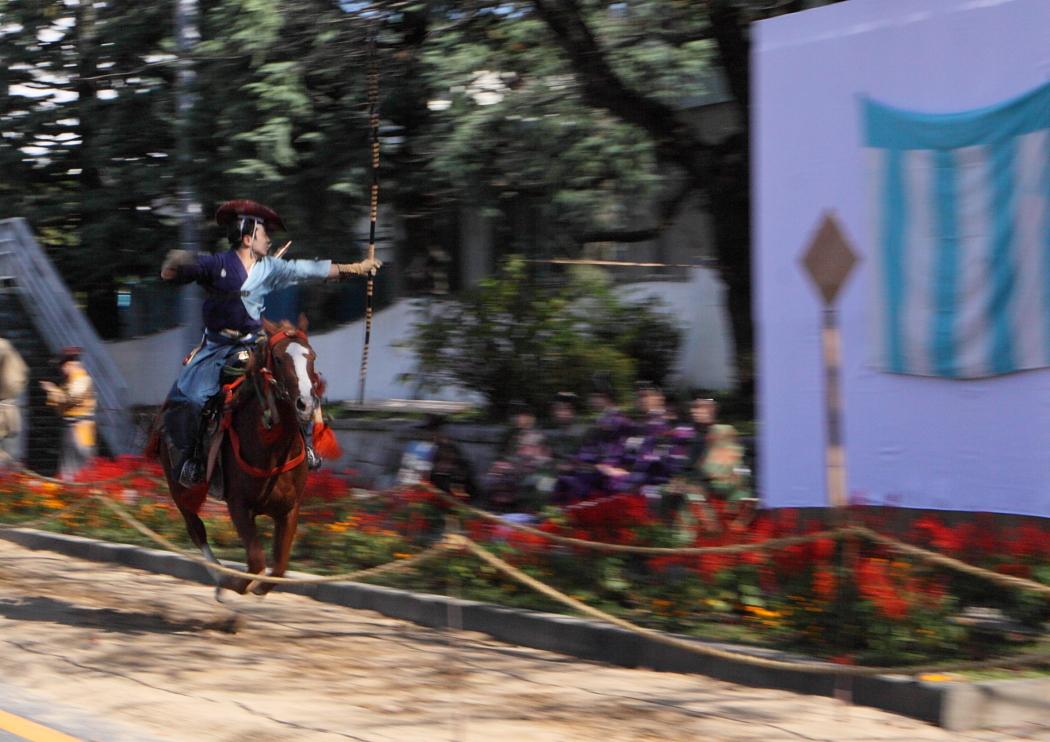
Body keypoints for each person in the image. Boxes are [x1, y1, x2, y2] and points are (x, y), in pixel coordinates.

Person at [159, 199, 381, 488]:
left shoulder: (271, 268)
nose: (269, 239)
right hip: (217, 347)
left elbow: (308, 269)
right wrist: (175, 265)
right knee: (192, 396)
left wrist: (357, 268)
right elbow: (177, 273)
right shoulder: (216, 264)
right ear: (248, 238)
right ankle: (193, 460)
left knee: (298, 379)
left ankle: (306, 445)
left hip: (255, 344)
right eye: (264, 234)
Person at [40, 346, 96, 480]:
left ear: (69, 364)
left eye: (62, 366)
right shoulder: (71, 381)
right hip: (72, 426)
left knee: (78, 468)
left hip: (80, 427)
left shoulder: (81, 379)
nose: (61, 369)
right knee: (69, 468)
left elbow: (70, 398)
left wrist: (52, 390)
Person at [0, 336, 28, 464]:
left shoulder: (3, 347)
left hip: (5, 408)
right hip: (12, 407)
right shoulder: (10, 351)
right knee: (11, 456)